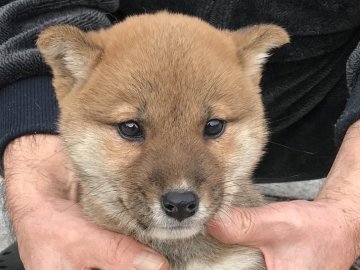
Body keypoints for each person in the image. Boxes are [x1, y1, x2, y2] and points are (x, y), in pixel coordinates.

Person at [1, 1, 360, 269]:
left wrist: (349, 211)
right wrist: (38, 198)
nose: (180, 189)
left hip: (324, 95)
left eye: (213, 128)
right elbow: (41, 7)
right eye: (131, 129)